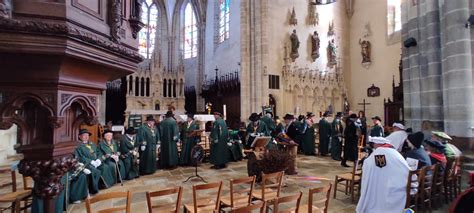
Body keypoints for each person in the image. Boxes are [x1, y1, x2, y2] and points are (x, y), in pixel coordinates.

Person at [356, 137, 410, 213]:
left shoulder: (380, 152)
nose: (373, 146)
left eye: (373, 145)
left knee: (378, 187)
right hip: (403, 181)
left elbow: (377, 166)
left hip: (393, 184)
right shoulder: (393, 151)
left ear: (377, 144)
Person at [74, 129, 103, 194]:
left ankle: (99, 186)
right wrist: (90, 161)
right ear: (79, 137)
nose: (86, 137)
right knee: (96, 171)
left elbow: (99, 152)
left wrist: (99, 159)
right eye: (84, 135)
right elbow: (80, 157)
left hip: (96, 162)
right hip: (86, 163)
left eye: (87, 135)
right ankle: (94, 189)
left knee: (103, 167)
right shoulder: (78, 146)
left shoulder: (92, 144)